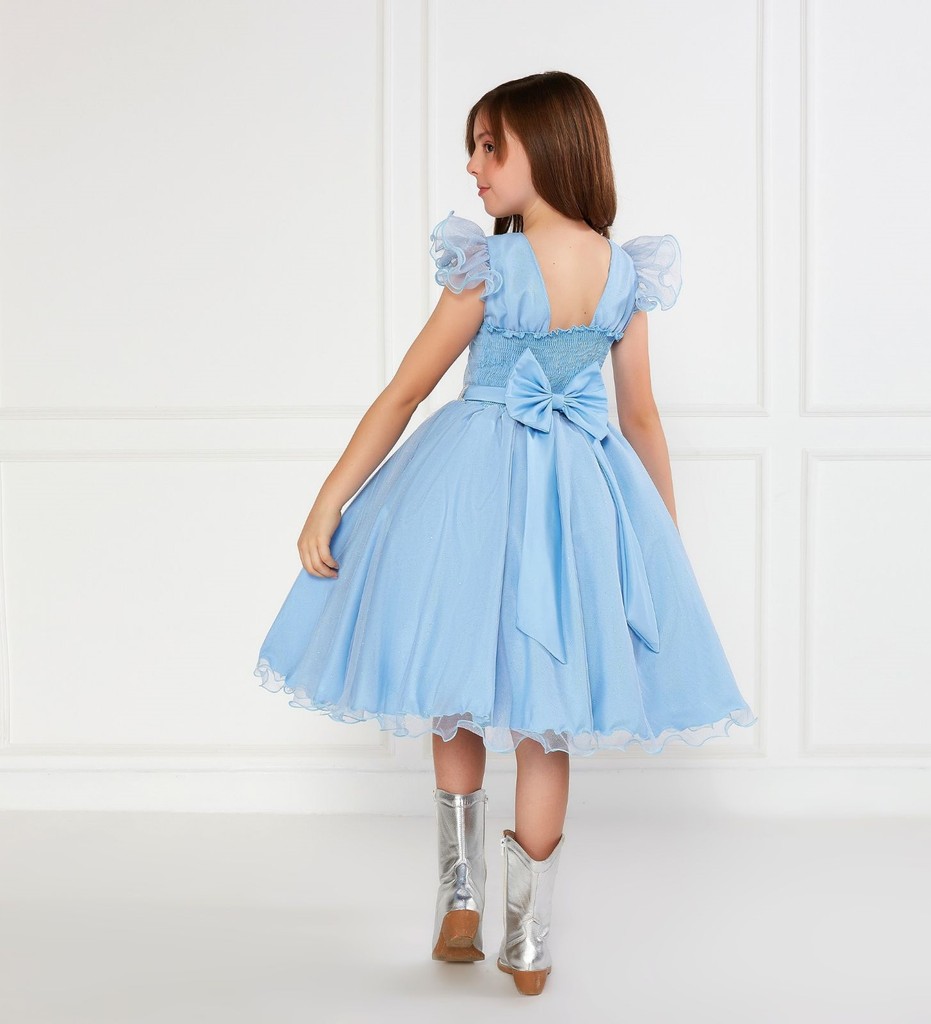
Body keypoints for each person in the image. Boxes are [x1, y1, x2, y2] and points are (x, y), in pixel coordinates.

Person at [252, 70, 757, 996]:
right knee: (545, 715)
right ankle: (528, 940)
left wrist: (332, 497)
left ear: (550, 148)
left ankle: (461, 899)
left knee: (455, 684)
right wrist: (657, 535)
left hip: (471, 494)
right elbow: (641, 418)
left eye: (491, 147)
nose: (475, 168)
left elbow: (405, 393)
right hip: (577, 500)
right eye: (473, 150)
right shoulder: (622, 273)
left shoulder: (489, 267)